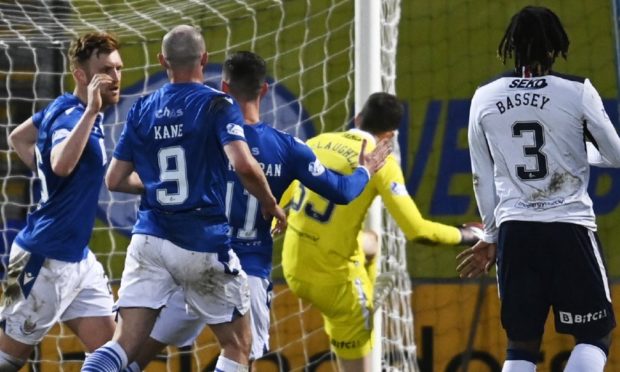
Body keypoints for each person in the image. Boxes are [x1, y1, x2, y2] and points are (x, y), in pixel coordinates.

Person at [120, 51, 392, 372]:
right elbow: (342, 192)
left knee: (135, 352)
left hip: (194, 261)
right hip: (247, 269)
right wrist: (365, 171)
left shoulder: (201, 140)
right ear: (264, 90)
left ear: (223, 87)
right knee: (239, 352)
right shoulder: (288, 148)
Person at [80, 26, 289, 372]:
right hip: (200, 239)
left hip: (148, 238)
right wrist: (270, 202)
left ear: (162, 60)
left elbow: (114, 179)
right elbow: (243, 164)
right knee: (238, 344)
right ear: (204, 60)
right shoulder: (217, 104)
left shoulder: (142, 107)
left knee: (122, 344)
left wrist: (154, 184)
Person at [457, 6, 620, 372]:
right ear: (555, 47)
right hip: (569, 227)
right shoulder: (577, 91)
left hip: (515, 231)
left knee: (522, 344)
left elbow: (481, 175)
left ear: (511, 46)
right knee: (595, 336)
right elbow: (617, 154)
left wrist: (492, 234)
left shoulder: (484, 96)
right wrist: (581, 152)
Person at [281, 91, 482, 372]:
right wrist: (469, 234)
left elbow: (281, 200)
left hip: (293, 267)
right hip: (336, 284)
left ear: (357, 118)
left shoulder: (317, 142)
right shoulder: (381, 164)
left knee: (371, 242)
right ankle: (365, 299)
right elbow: (418, 231)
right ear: (389, 136)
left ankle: (367, 286)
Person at [1, 32, 122, 370]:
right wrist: (91, 113)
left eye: (118, 68)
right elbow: (61, 163)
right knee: (7, 361)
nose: (115, 78)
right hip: (37, 259)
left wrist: (46, 180)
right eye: (106, 70)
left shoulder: (63, 106)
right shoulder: (74, 116)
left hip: (78, 261)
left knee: (111, 355)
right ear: (81, 76)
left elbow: (19, 137)